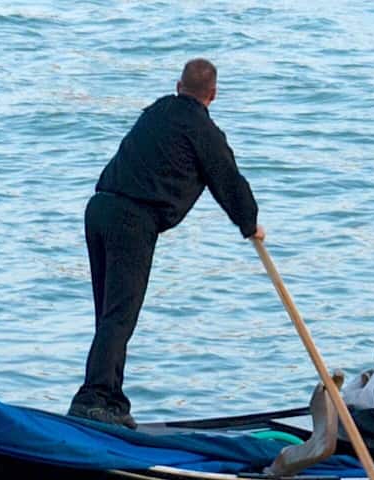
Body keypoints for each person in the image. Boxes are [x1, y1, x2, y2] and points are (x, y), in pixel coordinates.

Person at [68, 58, 265, 428]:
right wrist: (250, 223)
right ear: (214, 94)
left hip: (99, 208)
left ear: (178, 86)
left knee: (110, 314)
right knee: (119, 316)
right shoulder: (202, 129)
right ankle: (92, 398)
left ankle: (111, 400)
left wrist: (244, 219)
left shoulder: (158, 110)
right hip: (131, 220)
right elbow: (227, 179)